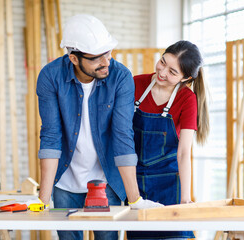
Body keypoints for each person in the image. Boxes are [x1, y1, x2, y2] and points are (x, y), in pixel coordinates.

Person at [36, 14, 161, 240]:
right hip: (65, 182)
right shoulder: (50, 76)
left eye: (108, 53)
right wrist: (42, 201)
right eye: (97, 58)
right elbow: (51, 136)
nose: (106, 62)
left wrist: (134, 199)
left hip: (106, 182)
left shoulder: (120, 76)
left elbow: (123, 135)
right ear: (74, 58)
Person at [128, 40, 210, 240]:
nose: (162, 72)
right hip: (135, 184)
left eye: (173, 72)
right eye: (163, 62)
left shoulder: (187, 99)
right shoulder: (135, 84)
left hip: (170, 185)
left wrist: (185, 198)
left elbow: (183, 153)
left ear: (186, 78)